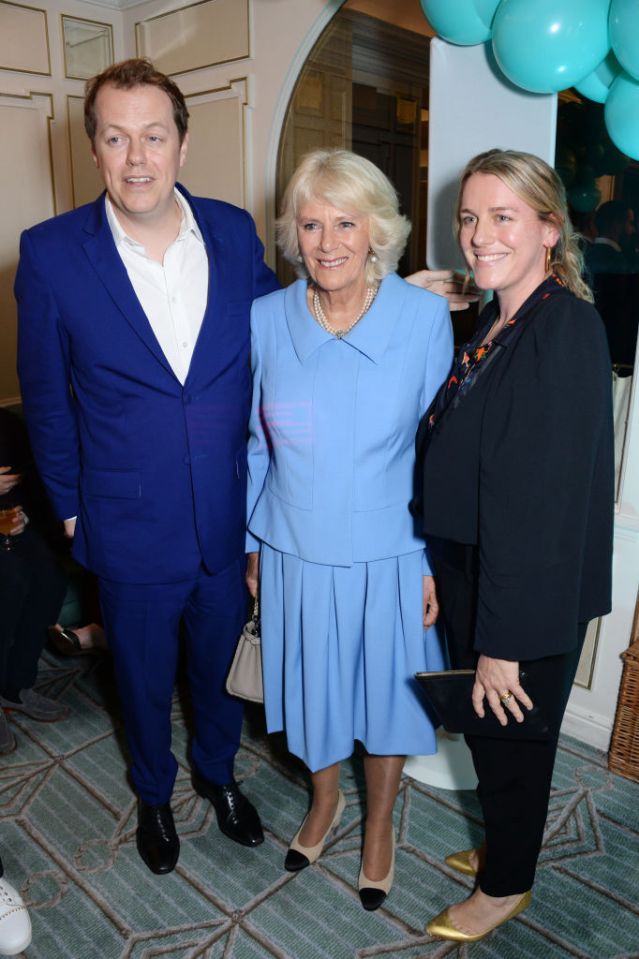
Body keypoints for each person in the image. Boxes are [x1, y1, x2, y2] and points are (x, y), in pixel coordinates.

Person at [15, 58, 280, 875]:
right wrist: (66, 508)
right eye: (116, 136)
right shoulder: (51, 254)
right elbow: (47, 398)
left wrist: (378, 301)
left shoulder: (236, 233)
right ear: (94, 148)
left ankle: (217, 773)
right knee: (138, 676)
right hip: (123, 522)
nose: (137, 157)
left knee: (214, 666)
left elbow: (283, 344)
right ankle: (156, 795)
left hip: (225, 517)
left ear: (182, 143)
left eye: (153, 135)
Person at [245, 148, 454, 911]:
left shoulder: (423, 316)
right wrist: (252, 543)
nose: (327, 241)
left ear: (377, 233)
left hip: (392, 551)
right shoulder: (264, 319)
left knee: (386, 697)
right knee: (310, 690)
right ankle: (326, 802)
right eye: (309, 224)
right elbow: (256, 443)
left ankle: (380, 825)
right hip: (292, 545)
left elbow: (439, 451)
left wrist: (433, 558)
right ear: (292, 235)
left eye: (345, 222)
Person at [414, 149, 614, 942]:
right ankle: (509, 843)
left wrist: (501, 641)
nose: (477, 234)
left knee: (512, 744)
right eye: (468, 217)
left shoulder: (561, 328)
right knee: (495, 741)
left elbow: (535, 506)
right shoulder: (501, 319)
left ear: (548, 228)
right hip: (476, 570)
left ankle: (507, 885)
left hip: (520, 591)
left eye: (501, 217)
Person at [0, 408, 69, 755]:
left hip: (14, 528)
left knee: (49, 578)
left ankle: (16, 685)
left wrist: (25, 514)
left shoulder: (8, 424)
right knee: (8, 583)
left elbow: (32, 482)